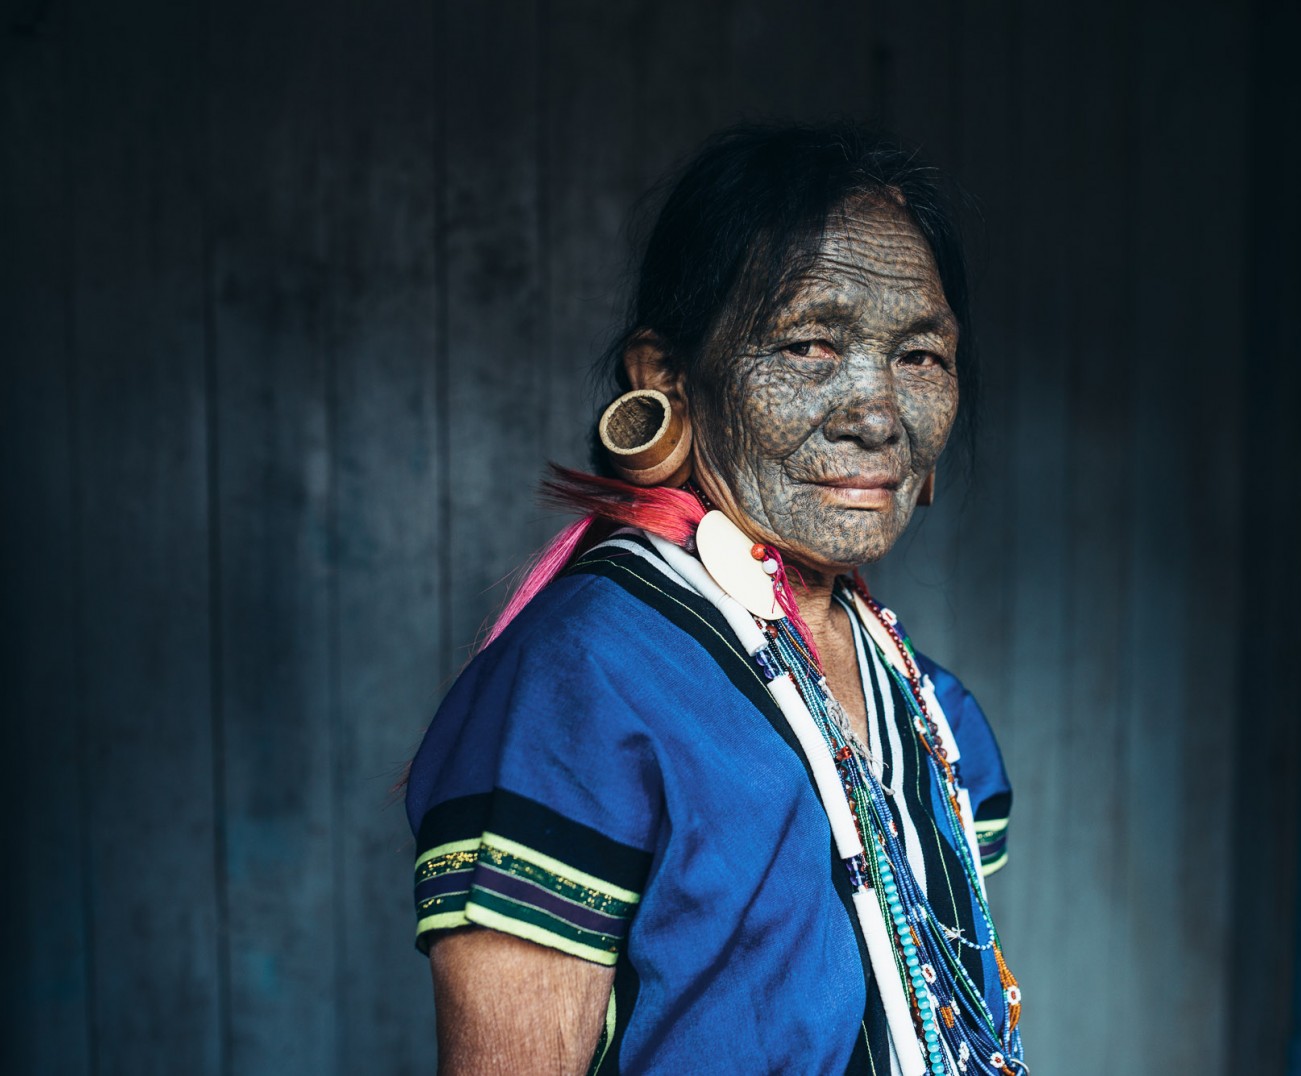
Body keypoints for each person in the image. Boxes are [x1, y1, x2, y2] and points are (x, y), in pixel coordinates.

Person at [405, 123, 1024, 1075]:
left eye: (920, 357)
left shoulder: (940, 722)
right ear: (668, 379)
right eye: (813, 344)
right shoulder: (578, 690)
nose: (877, 413)